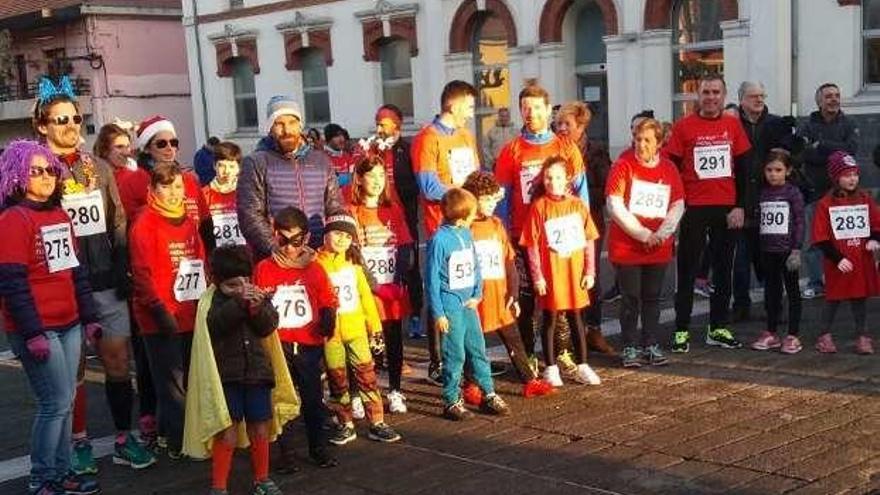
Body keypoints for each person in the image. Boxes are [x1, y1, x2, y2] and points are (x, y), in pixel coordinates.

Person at [31, 76, 148, 475]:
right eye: (60, 119)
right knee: (74, 368)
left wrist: (120, 265)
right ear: (43, 125)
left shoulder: (97, 167)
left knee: (117, 359)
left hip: (103, 279)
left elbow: (115, 219)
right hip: (60, 282)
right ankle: (78, 441)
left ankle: (122, 437)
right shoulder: (33, 167)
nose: (70, 125)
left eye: (76, 118)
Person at [0, 140, 100, 495]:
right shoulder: (14, 219)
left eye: (49, 171)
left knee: (66, 401)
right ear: (17, 175)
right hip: (39, 327)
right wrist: (32, 333)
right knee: (54, 402)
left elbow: (76, 271)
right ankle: (43, 476)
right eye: (35, 171)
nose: (45, 177)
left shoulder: (59, 215)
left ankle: (63, 472)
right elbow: (11, 282)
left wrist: (89, 316)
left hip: (69, 321)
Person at [494, 83, 591, 374]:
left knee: (563, 295)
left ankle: (563, 351)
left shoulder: (565, 146)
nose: (531, 113)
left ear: (548, 111)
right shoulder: (511, 151)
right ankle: (529, 353)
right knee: (526, 297)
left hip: (562, 235)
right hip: (525, 236)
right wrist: (504, 239)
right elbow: (502, 199)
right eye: (525, 108)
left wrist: (583, 231)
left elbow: (581, 191)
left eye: (537, 107)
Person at [186, 245, 293, 495]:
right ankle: (219, 486)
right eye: (232, 286)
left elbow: (269, 326)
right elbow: (214, 326)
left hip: (257, 373)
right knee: (227, 430)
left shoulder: (258, 298)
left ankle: (262, 479)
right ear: (217, 282)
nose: (241, 289)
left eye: (244, 282)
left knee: (260, 426)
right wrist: (238, 304)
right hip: (227, 376)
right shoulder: (211, 303)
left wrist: (257, 309)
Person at [667, 74, 753, 353]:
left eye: (716, 92)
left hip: (726, 208)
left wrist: (741, 206)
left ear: (724, 96)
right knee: (688, 269)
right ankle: (681, 329)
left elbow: (744, 170)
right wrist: (678, 204)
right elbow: (671, 168)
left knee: (723, 269)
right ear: (698, 95)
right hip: (694, 207)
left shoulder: (733, 125)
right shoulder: (683, 127)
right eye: (706, 92)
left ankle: (717, 327)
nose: (711, 97)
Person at [129, 162, 208, 459]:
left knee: (187, 375)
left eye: (178, 187)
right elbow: (141, 274)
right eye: (166, 187)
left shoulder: (187, 221)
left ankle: (167, 433)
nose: (174, 193)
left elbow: (199, 263)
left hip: (188, 310)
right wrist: (158, 310)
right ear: (152, 189)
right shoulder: (144, 224)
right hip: (160, 317)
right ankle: (179, 442)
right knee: (171, 382)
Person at [253, 206, 338, 470]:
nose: (289, 248)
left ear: (306, 239)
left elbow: (328, 299)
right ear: (274, 235)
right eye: (283, 241)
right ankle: (286, 453)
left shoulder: (315, 269)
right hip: (278, 345)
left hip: (308, 344)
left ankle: (318, 448)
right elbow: (255, 304)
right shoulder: (264, 268)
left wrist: (328, 316)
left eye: (296, 241)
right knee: (282, 399)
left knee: (313, 399)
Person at [93, 122, 160, 453]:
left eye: (127, 145)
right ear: (104, 149)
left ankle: (146, 413)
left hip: (135, 267)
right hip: (107, 272)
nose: (125, 150)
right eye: (117, 146)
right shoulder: (97, 178)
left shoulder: (138, 178)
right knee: (119, 352)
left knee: (141, 348)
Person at [461, 171, 555, 397]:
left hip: (500, 297)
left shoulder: (496, 225)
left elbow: (509, 261)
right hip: (475, 300)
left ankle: (530, 379)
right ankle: (471, 384)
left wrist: (513, 291)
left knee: (514, 340)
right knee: (471, 343)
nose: (493, 204)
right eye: (487, 199)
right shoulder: (464, 229)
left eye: (495, 198)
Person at [411, 80, 481, 384]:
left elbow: (475, 176)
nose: (471, 112)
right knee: (440, 291)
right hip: (440, 225)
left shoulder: (466, 136)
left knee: (463, 288)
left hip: (466, 223)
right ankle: (437, 362)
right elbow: (428, 186)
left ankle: (464, 359)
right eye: (469, 106)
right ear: (453, 105)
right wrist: (460, 197)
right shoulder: (428, 138)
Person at [316, 212, 402, 444]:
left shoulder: (353, 265)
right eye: (337, 234)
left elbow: (365, 298)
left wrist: (374, 329)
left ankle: (377, 421)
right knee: (337, 379)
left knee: (367, 376)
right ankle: (345, 422)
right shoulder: (316, 265)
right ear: (325, 235)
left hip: (357, 332)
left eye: (347, 236)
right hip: (330, 335)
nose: (342, 239)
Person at [605, 119, 685, 368]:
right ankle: (629, 345)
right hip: (629, 247)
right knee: (631, 298)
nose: (641, 145)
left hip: (658, 246)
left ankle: (651, 342)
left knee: (653, 297)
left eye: (647, 140)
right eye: (638, 139)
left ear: (659, 143)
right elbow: (614, 205)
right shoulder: (623, 165)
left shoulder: (669, 168)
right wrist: (643, 234)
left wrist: (661, 233)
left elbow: (677, 203)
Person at [426, 187, 510, 420]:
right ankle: (451, 399)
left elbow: (475, 265)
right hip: (450, 303)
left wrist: (477, 292)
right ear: (462, 217)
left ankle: (488, 393)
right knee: (455, 354)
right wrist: (439, 313)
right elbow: (431, 279)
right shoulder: (439, 240)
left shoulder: (465, 234)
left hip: (468, 303)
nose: (475, 217)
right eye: (472, 214)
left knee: (477, 349)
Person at [520, 156, 601, 386]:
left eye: (557, 177)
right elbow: (532, 245)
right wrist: (537, 277)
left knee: (576, 317)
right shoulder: (539, 207)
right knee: (550, 318)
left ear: (566, 179)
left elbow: (589, 240)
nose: (552, 181)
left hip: (574, 271)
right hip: (552, 272)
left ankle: (583, 364)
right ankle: (551, 367)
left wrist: (590, 271)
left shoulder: (577, 205)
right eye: (547, 177)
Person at [349, 155, 415, 413]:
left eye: (381, 176)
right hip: (366, 289)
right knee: (362, 342)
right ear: (360, 179)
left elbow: (406, 245)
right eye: (371, 176)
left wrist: (399, 279)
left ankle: (396, 390)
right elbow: (353, 251)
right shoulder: (352, 210)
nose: (377, 182)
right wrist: (373, 284)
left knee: (394, 340)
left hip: (392, 289)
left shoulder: (393, 209)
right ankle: (357, 394)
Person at [238, 96, 343, 257]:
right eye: (279, 124)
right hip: (277, 259)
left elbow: (335, 208)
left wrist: (339, 242)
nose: (287, 130)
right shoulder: (256, 162)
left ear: (300, 125)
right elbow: (250, 215)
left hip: (318, 256)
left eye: (292, 122)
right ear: (270, 128)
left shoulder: (321, 161)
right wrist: (279, 249)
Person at [732, 81, 799, 322]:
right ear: (741, 99)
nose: (758, 100)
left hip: (770, 201)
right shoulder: (732, 124)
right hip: (740, 201)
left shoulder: (775, 124)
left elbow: (790, 157)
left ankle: (775, 307)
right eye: (753, 96)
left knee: (771, 261)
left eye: (761, 95)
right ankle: (741, 305)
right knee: (739, 262)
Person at [555, 100, 616, 357]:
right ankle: (565, 335)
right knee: (561, 277)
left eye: (567, 124)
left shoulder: (596, 151)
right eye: (558, 123)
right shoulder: (552, 149)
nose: (561, 128)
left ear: (581, 126)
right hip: (557, 222)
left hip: (588, 221)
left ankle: (594, 330)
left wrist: (576, 191)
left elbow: (607, 188)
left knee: (591, 278)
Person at [811, 151, 879, 355]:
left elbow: (876, 223)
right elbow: (820, 237)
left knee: (860, 298)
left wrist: (874, 239)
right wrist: (837, 258)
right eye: (846, 174)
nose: (852, 179)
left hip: (860, 259)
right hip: (838, 262)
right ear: (835, 177)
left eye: (855, 174)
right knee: (833, 298)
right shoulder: (826, 203)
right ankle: (824, 334)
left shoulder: (865, 198)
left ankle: (862, 335)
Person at [799, 83, 861, 299]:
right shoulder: (807, 126)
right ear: (819, 101)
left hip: (844, 195)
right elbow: (804, 155)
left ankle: (845, 281)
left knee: (844, 239)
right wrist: (836, 153)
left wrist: (822, 145)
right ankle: (816, 283)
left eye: (836, 95)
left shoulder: (849, 123)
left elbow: (851, 151)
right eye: (828, 96)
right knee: (815, 241)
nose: (834, 99)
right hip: (815, 192)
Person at [373, 104, 424, 339]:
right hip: (378, 221)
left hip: (405, 218)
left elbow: (417, 185)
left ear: (396, 125)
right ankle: (385, 316)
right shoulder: (374, 150)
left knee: (411, 267)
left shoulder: (408, 149)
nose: (378, 128)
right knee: (383, 267)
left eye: (382, 123)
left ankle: (415, 314)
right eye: (377, 123)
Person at [751, 149, 804, 354]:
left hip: (787, 251)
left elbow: (799, 221)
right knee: (771, 291)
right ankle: (771, 331)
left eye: (778, 170)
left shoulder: (793, 193)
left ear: (788, 171)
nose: (773, 174)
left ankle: (793, 334)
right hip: (768, 250)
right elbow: (759, 222)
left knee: (792, 291)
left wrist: (796, 248)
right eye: (769, 170)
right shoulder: (763, 192)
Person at [203, 142, 246, 248]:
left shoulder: (247, 193)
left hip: (243, 255)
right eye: (222, 166)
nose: (227, 171)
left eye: (231, 166)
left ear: (238, 168)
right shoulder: (204, 194)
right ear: (214, 166)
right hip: (215, 255)